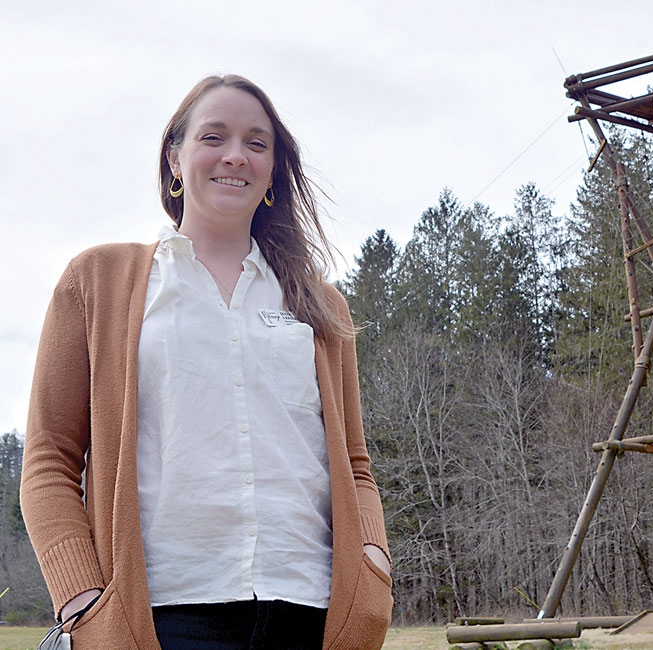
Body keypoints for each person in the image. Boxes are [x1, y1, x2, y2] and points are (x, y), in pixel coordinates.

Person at [20, 74, 392, 650]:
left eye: (257, 143)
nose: (235, 156)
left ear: (272, 170)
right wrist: (82, 596)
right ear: (175, 158)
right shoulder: (97, 282)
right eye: (213, 137)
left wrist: (372, 563)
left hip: (312, 612)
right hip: (164, 617)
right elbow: (49, 462)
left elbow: (354, 463)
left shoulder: (320, 304)